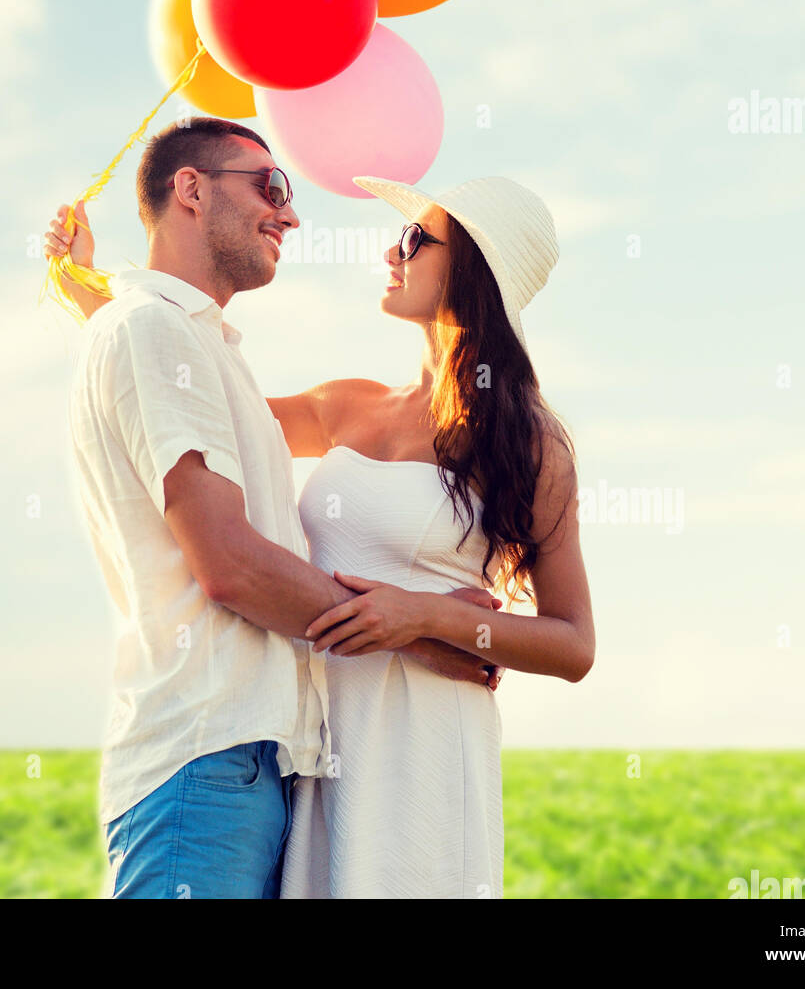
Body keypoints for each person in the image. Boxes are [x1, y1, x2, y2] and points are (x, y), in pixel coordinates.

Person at [49, 122, 595, 898]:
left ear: (474, 272)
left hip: (424, 740)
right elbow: (191, 396)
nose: (391, 252)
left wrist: (431, 620)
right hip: (313, 741)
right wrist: (94, 298)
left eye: (415, 238)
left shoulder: (529, 442)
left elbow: (572, 642)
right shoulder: (348, 405)